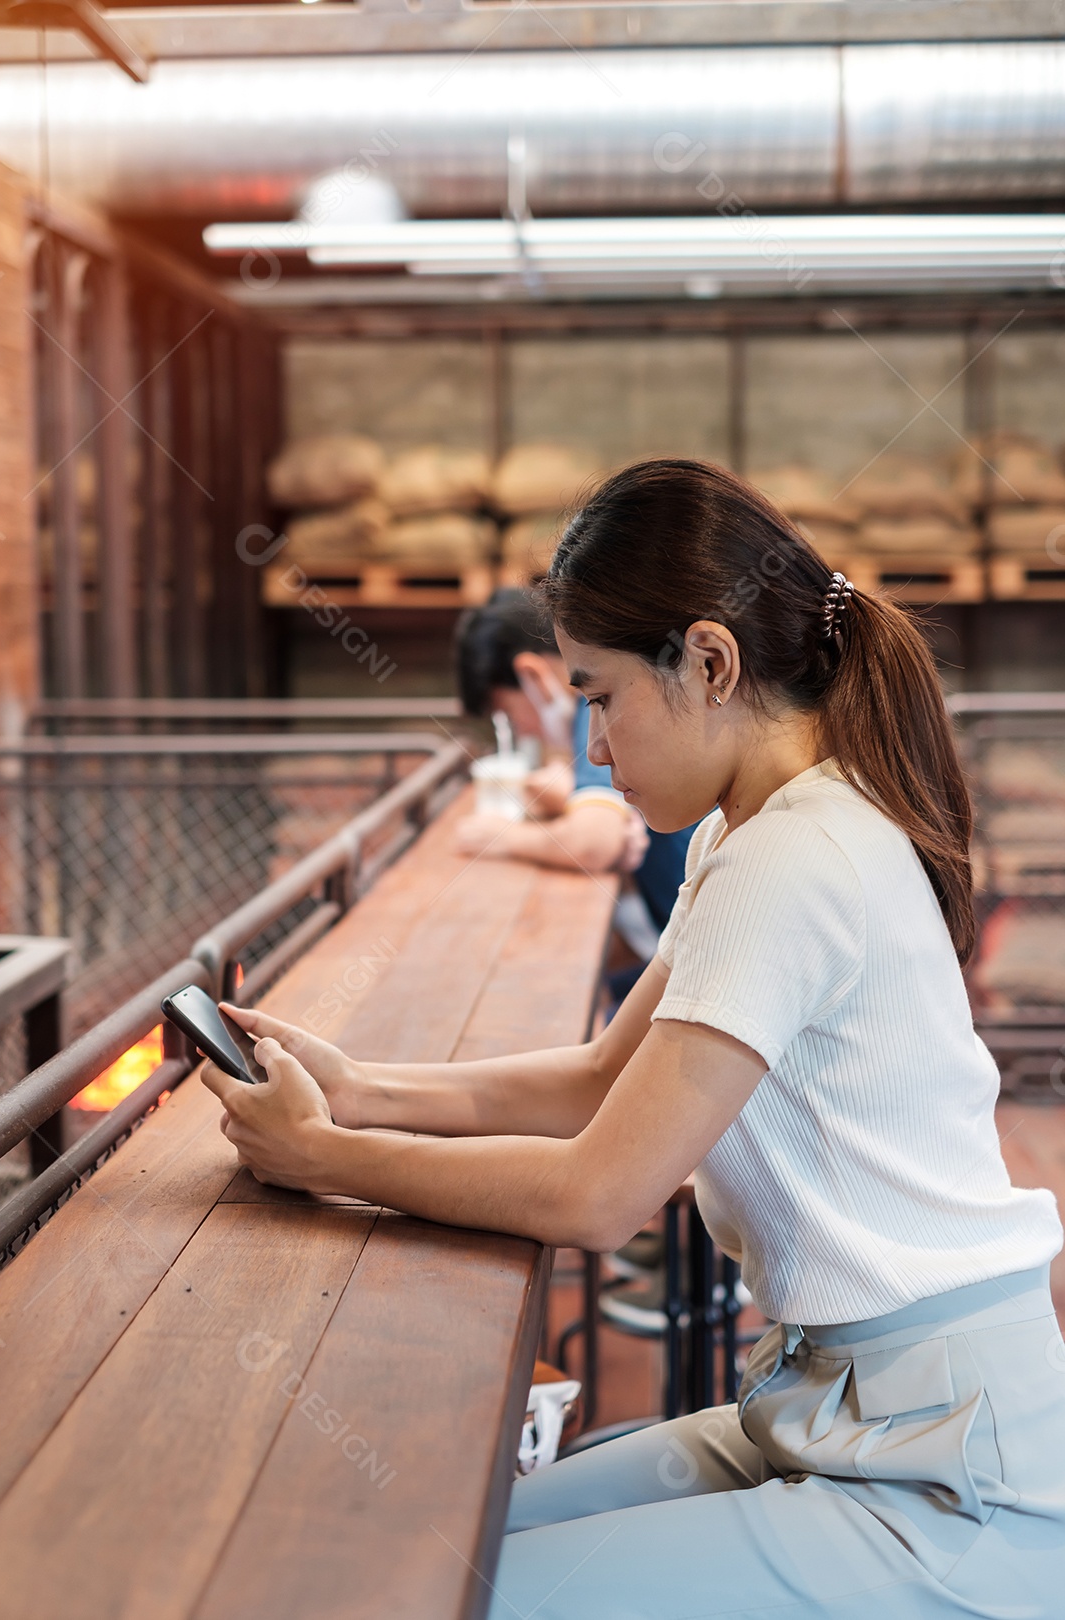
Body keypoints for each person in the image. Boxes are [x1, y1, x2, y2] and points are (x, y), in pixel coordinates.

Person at [204, 459, 1065, 1619]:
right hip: (834, 1403)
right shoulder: (752, 832)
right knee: (463, 1538)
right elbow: (604, 1077)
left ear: (709, 663)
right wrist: (360, 1090)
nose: (593, 746)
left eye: (600, 697)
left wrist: (322, 1157)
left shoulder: (795, 859)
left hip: (940, 1473)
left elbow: (602, 1192)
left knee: (444, 1586)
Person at [453, 588, 694, 953]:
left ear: (530, 674)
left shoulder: (593, 708)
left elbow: (594, 841)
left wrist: (498, 838)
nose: (524, 733)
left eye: (510, 716)